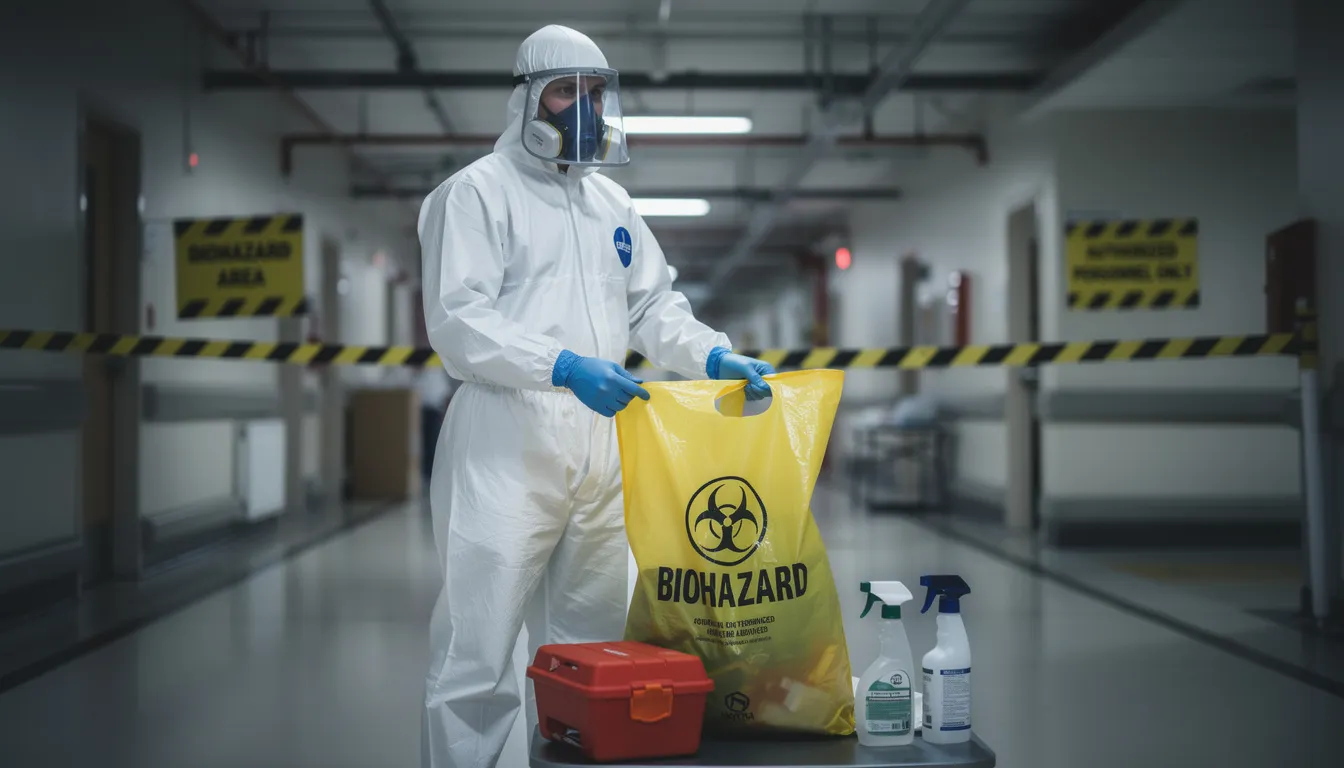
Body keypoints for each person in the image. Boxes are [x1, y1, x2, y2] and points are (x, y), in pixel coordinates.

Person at [416, 24, 776, 768]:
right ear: (526, 100)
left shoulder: (610, 201)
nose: (584, 107)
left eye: (596, 92)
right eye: (564, 91)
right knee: (478, 648)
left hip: (603, 440)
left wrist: (710, 353)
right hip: (505, 441)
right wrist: (561, 365)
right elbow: (458, 320)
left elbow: (653, 306)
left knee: (596, 646)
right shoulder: (476, 193)